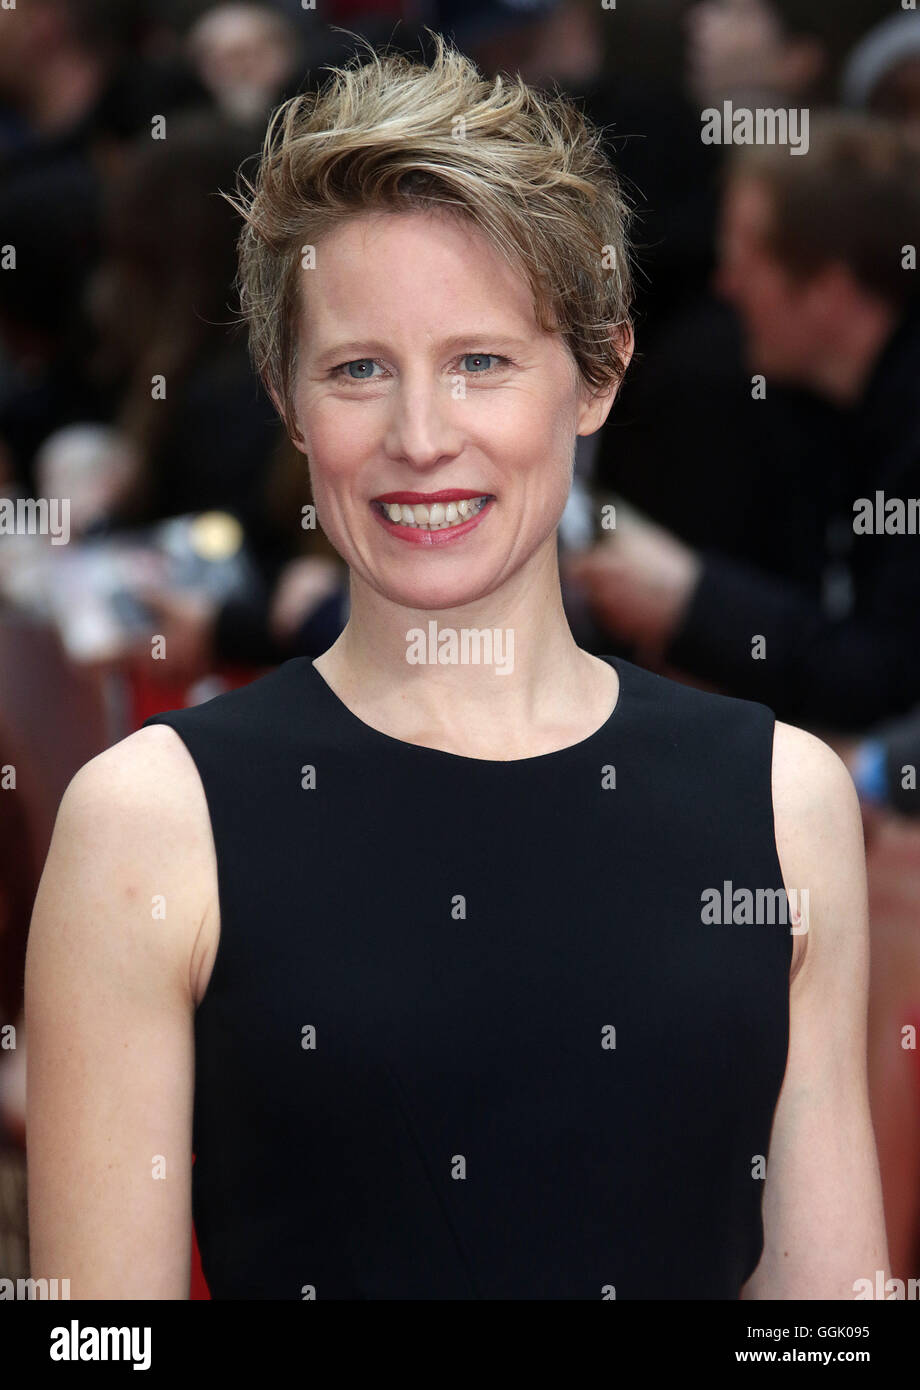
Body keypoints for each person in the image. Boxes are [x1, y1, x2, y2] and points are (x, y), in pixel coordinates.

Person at [25, 35, 888, 1299]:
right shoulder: (149, 822)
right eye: (357, 370)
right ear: (285, 397)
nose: (420, 437)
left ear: (596, 374)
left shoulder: (780, 800)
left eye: (480, 361)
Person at [571, 112, 920, 735]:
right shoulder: (819, 406)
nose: (726, 285)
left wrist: (692, 600)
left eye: (747, 259)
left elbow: (893, 673)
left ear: (828, 291)